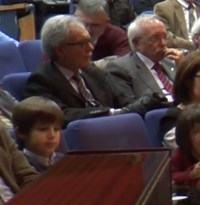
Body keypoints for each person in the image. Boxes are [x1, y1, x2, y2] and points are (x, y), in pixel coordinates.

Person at [24, 16, 164, 125]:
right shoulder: (41, 80)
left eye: (90, 41)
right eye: (82, 44)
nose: (91, 48)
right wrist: (109, 114)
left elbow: (120, 103)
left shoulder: (92, 72)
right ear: (60, 49)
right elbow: (62, 116)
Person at [106, 15, 180, 103]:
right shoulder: (119, 68)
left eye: (165, 37)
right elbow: (130, 107)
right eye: (155, 38)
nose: (163, 43)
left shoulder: (171, 62)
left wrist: (183, 68)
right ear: (137, 43)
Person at [14, 97, 64, 173]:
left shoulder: (66, 161)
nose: (52, 135)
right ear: (21, 132)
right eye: (43, 129)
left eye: (56, 129)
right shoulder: (18, 167)